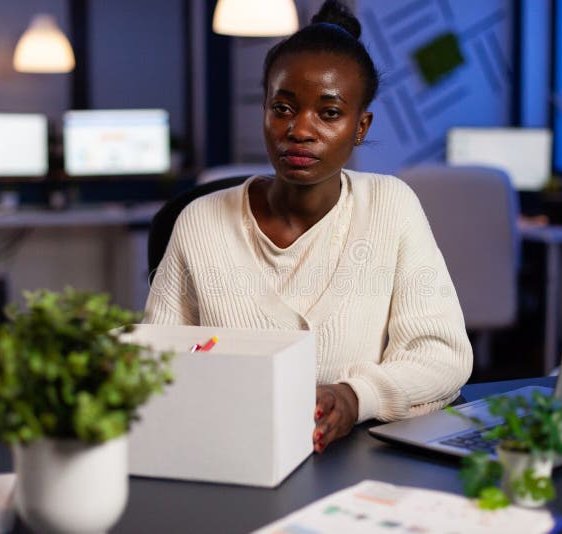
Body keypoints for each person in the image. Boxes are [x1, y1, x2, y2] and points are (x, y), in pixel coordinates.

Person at [146, 0, 472, 453]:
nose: (300, 129)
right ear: (263, 111)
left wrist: (355, 396)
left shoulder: (391, 206)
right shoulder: (200, 222)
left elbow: (442, 355)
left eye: (329, 113)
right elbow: (157, 361)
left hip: (358, 460)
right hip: (231, 453)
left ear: (360, 127)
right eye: (282, 108)